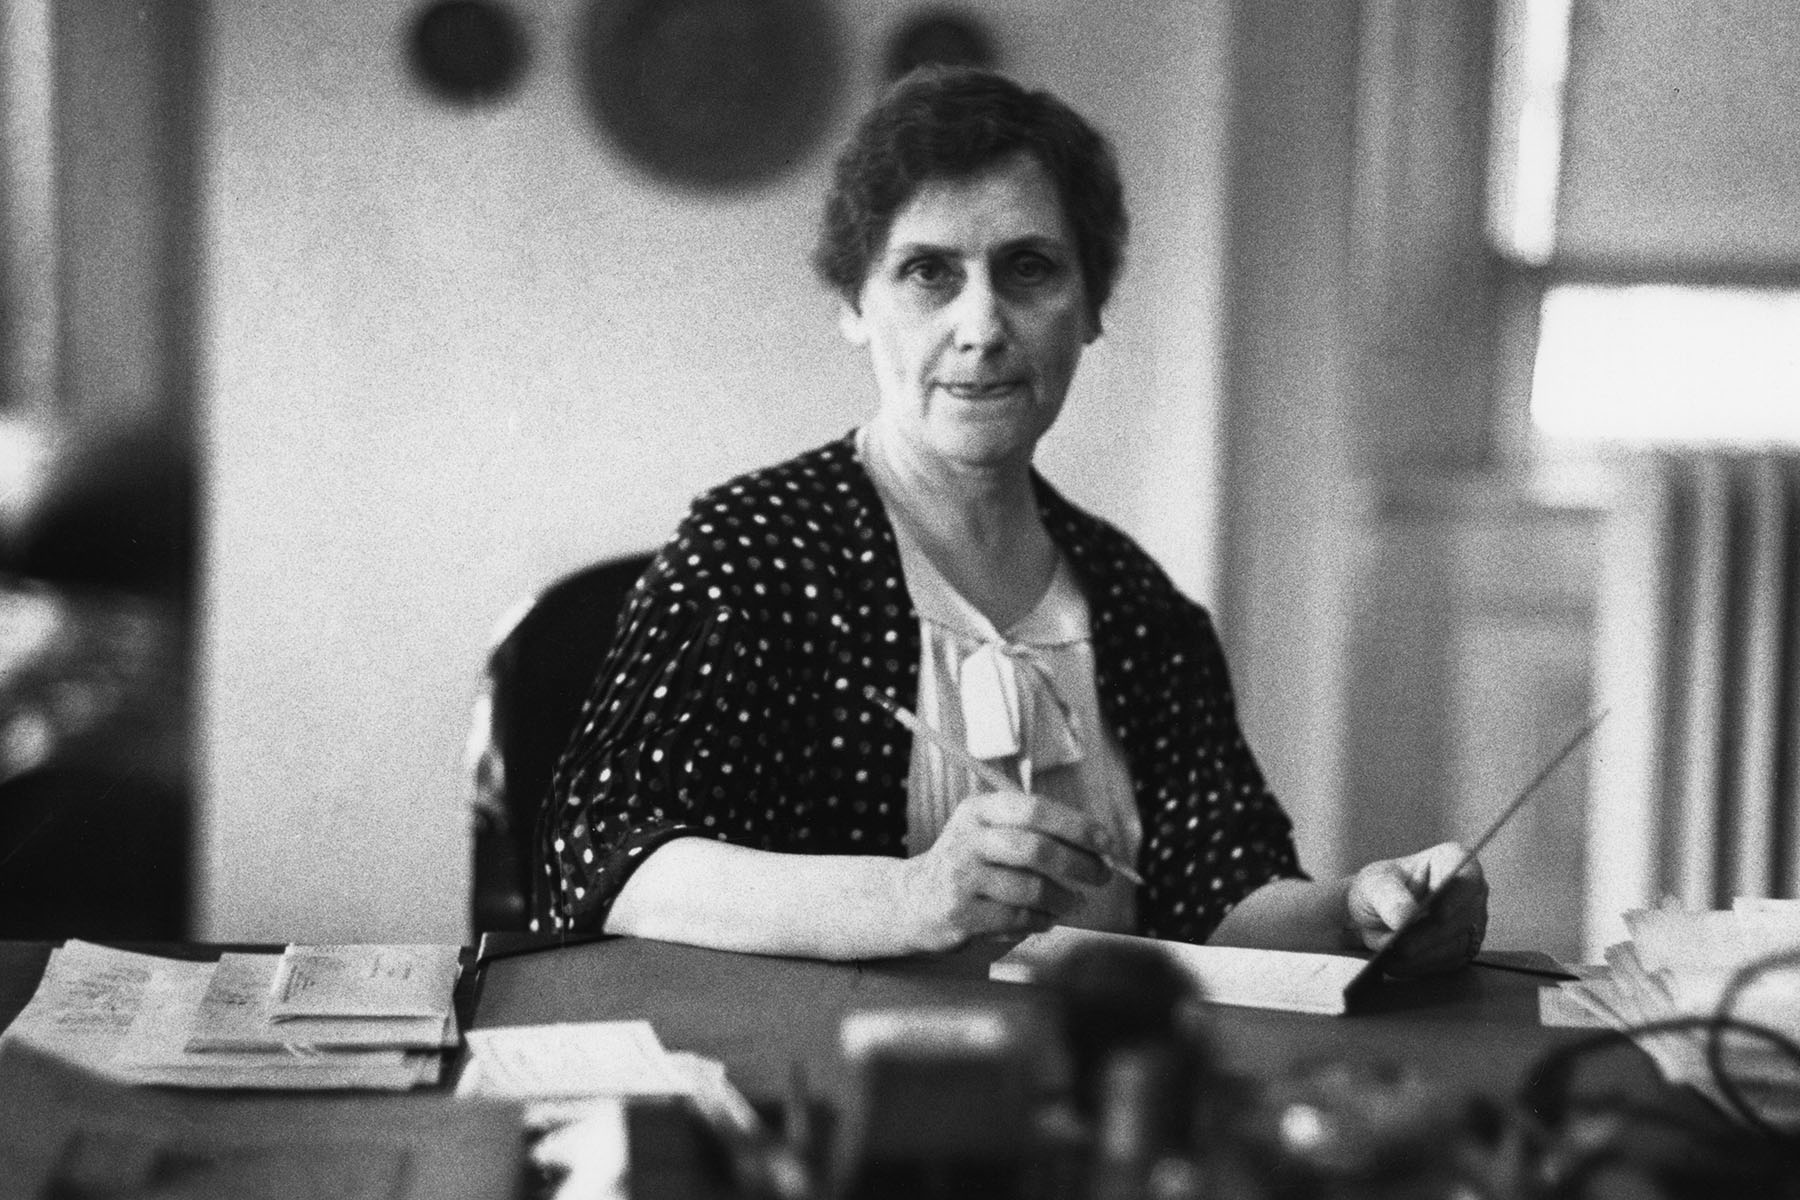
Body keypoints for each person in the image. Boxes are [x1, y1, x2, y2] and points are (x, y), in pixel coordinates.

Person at [539, 66, 1487, 974]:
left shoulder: (1136, 604)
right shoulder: (756, 550)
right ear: (854, 304)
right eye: (927, 273)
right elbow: (605, 857)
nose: (983, 325)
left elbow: (1221, 897)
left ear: (1091, 308)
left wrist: (1363, 911)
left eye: (1028, 268)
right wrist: (913, 897)